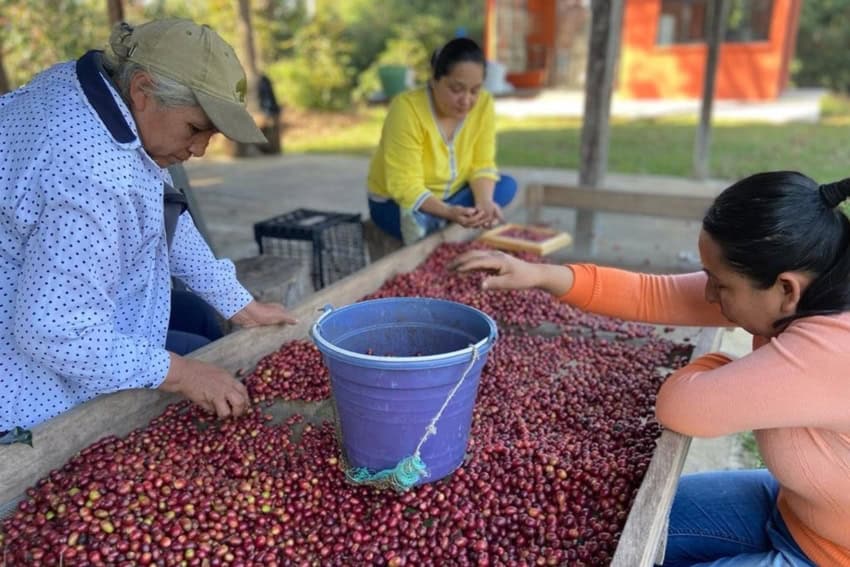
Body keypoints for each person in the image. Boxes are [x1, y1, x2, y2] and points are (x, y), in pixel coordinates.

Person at [451, 171, 850, 566]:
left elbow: (682, 407)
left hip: (832, 554)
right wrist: (540, 274)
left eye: (720, 283)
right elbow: (653, 294)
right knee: (595, 534)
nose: (709, 294)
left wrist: (728, 367)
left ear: (786, 288)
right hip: (793, 510)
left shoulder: (829, 346)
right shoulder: (808, 292)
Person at [0, 18, 298, 432]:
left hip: (67, 296)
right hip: (30, 378)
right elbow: (53, 331)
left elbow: (162, 208)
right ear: (142, 90)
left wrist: (239, 304)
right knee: (196, 354)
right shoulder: (90, 173)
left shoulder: (92, 91)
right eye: (195, 129)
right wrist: (183, 373)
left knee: (197, 317)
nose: (199, 148)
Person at [367, 37, 517, 245]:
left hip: (454, 197)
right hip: (396, 205)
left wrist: (484, 202)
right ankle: (439, 220)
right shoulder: (406, 109)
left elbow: (482, 163)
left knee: (507, 186)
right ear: (434, 80)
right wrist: (447, 212)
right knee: (408, 214)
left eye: (475, 90)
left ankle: (437, 223)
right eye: (456, 89)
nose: (466, 100)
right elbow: (403, 184)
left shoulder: (483, 104)